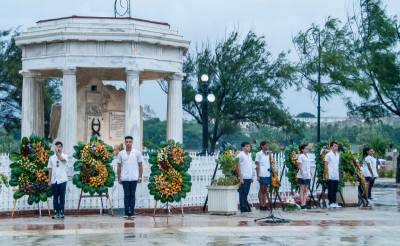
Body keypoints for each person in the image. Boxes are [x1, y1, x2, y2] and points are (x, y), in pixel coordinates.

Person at [117, 136, 143, 219]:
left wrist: (140, 176)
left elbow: (140, 165)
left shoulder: (137, 153)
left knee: (132, 195)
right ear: (125, 143)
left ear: (132, 142)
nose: (128, 143)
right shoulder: (121, 153)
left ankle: (131, 212)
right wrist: (119, 177)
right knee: (126, 195)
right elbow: (119, 166)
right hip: (124, 178)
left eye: (130, 142)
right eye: (127, 142)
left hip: (134, 178)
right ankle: (126, 212)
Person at [48, 141, 68, 219]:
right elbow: (50, 169)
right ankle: (56, 212)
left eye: (59, 147)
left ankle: (62, 212)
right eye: (56, 147)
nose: (58, 148)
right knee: (55, 197)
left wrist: (58, 153)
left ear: (62, 147)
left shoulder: (65, 156)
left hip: (62, 180)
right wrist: (49, 180)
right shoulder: (51, 158)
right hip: (54, 180)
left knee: (62, 197)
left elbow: (62, 160)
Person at [237, 142, 254, 213]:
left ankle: (245, 207)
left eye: (249, 146)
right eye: (247, 146)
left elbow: (250, 166)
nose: (248, 148)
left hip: (249, 177)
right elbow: (237, 166)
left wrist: (252, 176)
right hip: (243, 177)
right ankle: (243, 208)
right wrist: (240, 177)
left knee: (246, 193)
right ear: (243, 147)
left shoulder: (249, 155)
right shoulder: (240, 155)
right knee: (242, 193)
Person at [255, 141, 272, 211]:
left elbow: (271, 163)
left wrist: (270, 155)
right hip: (261, 174)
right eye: (266, 145)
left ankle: (264, 205)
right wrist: (258, 175)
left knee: (265, 190)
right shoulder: (258, 154)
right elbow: (257, 165)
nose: (267, 146)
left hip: (268, 174)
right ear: (262, 146)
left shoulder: (269, 154)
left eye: (268, 145)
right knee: (261, 190)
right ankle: (261, 205)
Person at [324, 141, 342, 208]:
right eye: (335, 146)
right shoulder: (328, 155)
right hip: (330, 174)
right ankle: (330, 202)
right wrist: (326, 174)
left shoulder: (338, 154)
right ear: (331, 147)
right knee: (330, 189)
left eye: (337, 146)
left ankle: (334, 202)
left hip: (336, 174)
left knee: (335, 189)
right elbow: (326, 165)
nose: (336, 147)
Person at [297, 143, 312, 209]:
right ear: (302, 150)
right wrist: (302, 172)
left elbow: (309, 166)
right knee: (302, 189)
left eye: (307, 148)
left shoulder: (308, 156)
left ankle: (304, 203)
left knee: (306, 189)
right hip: (302, 175)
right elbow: (299, 165)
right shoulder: (301, 156)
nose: (307, 149)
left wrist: (311, 172)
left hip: (308, 175)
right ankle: (302, 204)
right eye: (306, 148)